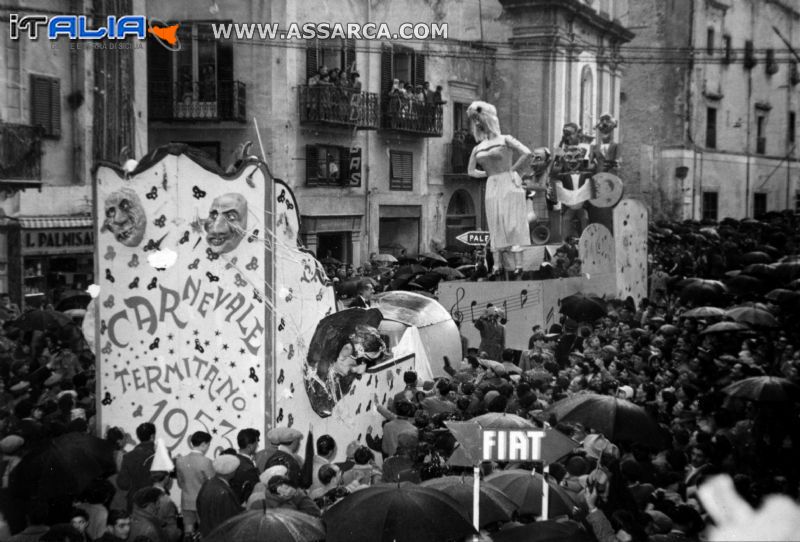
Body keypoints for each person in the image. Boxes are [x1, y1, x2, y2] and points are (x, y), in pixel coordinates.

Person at [467, 101, 532, 278]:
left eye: (479, 119)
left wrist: (513, 170)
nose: (478, 123)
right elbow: (471, 171)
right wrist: (488, 175)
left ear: (487, 119)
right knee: (495, 222)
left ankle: (518, 264)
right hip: (492, 184)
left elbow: (527, 153)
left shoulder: (505, 139)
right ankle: (497, 265)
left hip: (508, 181)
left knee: (512, 223)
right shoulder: (477, 147)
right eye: (475, 121)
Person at [174, 431, 214, 537]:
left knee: (188, 531)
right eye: (208, 445)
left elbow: (179, 483)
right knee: (204, 531)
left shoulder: (180, 461)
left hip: (186, 500)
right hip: (203, 502)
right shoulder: (206, 462)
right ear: (204, 444)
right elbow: (211, 484)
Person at [196, 455, 242, 537]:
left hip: (207, 533)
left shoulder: (207, 484)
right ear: (230, 472)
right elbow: (230, 519)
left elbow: (198, 506)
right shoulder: (224, 492)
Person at [117, 423, 156, 512]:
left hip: (134, 499)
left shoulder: (128, 456)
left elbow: (123, 484)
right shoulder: (157, 456)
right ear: (152, 436)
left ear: (138, 437)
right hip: (153, 500)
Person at [250, 475, 322, 516]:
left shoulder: (256, 504)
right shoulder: (290, 508)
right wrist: (299, 495)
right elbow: (315, 513)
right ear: (280, 492)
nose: (291, 488)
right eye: (287, 487)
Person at [229, 428, 261, 504]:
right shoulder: (249, 469)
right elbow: (255, 492)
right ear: (250, 446)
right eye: (256, 443)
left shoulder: (233, 460)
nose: (258, 445)